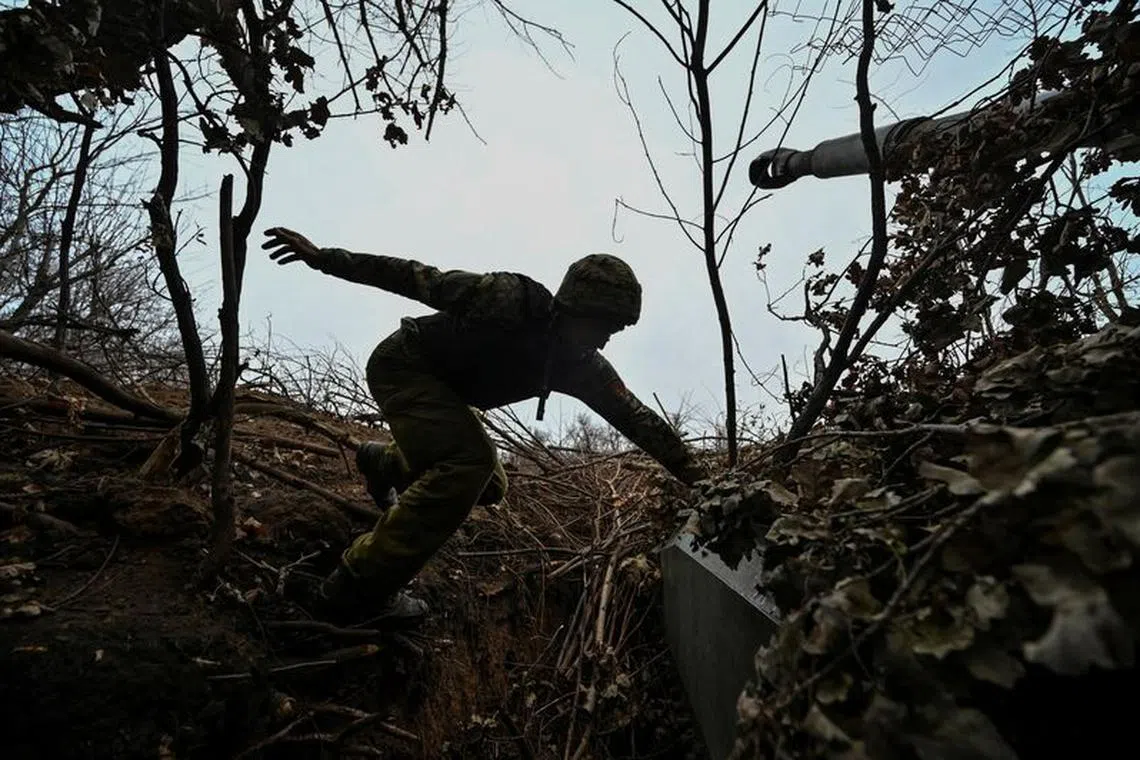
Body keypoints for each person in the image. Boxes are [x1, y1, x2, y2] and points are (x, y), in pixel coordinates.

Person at [261, 227, 707, 624]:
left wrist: (704, 481)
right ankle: (353, 591)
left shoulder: (582, 367)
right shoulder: (509, 300)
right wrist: (325, 259)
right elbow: (417, 278)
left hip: (448, 396)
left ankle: (386, 464)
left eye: (617, 329)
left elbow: (638, 420)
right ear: (575, 306)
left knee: (490, 485)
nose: (607, 338)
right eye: (603, 325)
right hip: (405, 364)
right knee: (467, 466)